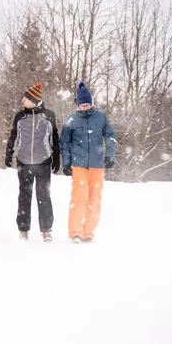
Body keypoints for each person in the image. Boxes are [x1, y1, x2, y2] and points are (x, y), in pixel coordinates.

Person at [60, 82, 117, 243]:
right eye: (82, 104)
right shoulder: (71, 120)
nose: (85, 107)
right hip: (79, 165)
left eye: (87, 104)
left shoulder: (101, 118)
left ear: (91, 103)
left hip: (97, 165)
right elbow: (64, 143)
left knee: (95, 198)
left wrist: (110, 156)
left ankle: (88, 233)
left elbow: (110, 137)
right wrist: (66, 163)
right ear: (77, 104)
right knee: (79, 197)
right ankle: (75, 232)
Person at [5, 83, 60, 242]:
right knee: (24, 196)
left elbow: (54, 139)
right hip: (24, 161)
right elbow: (13, 136)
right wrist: (8, 153)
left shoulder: (49, 115)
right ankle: (23, 230)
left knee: (44, 196)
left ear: (34, 100)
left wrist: (56, 159)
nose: (22, 100)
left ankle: (46, 230)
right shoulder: (20, 116)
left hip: (43, 162)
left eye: (26, 98)